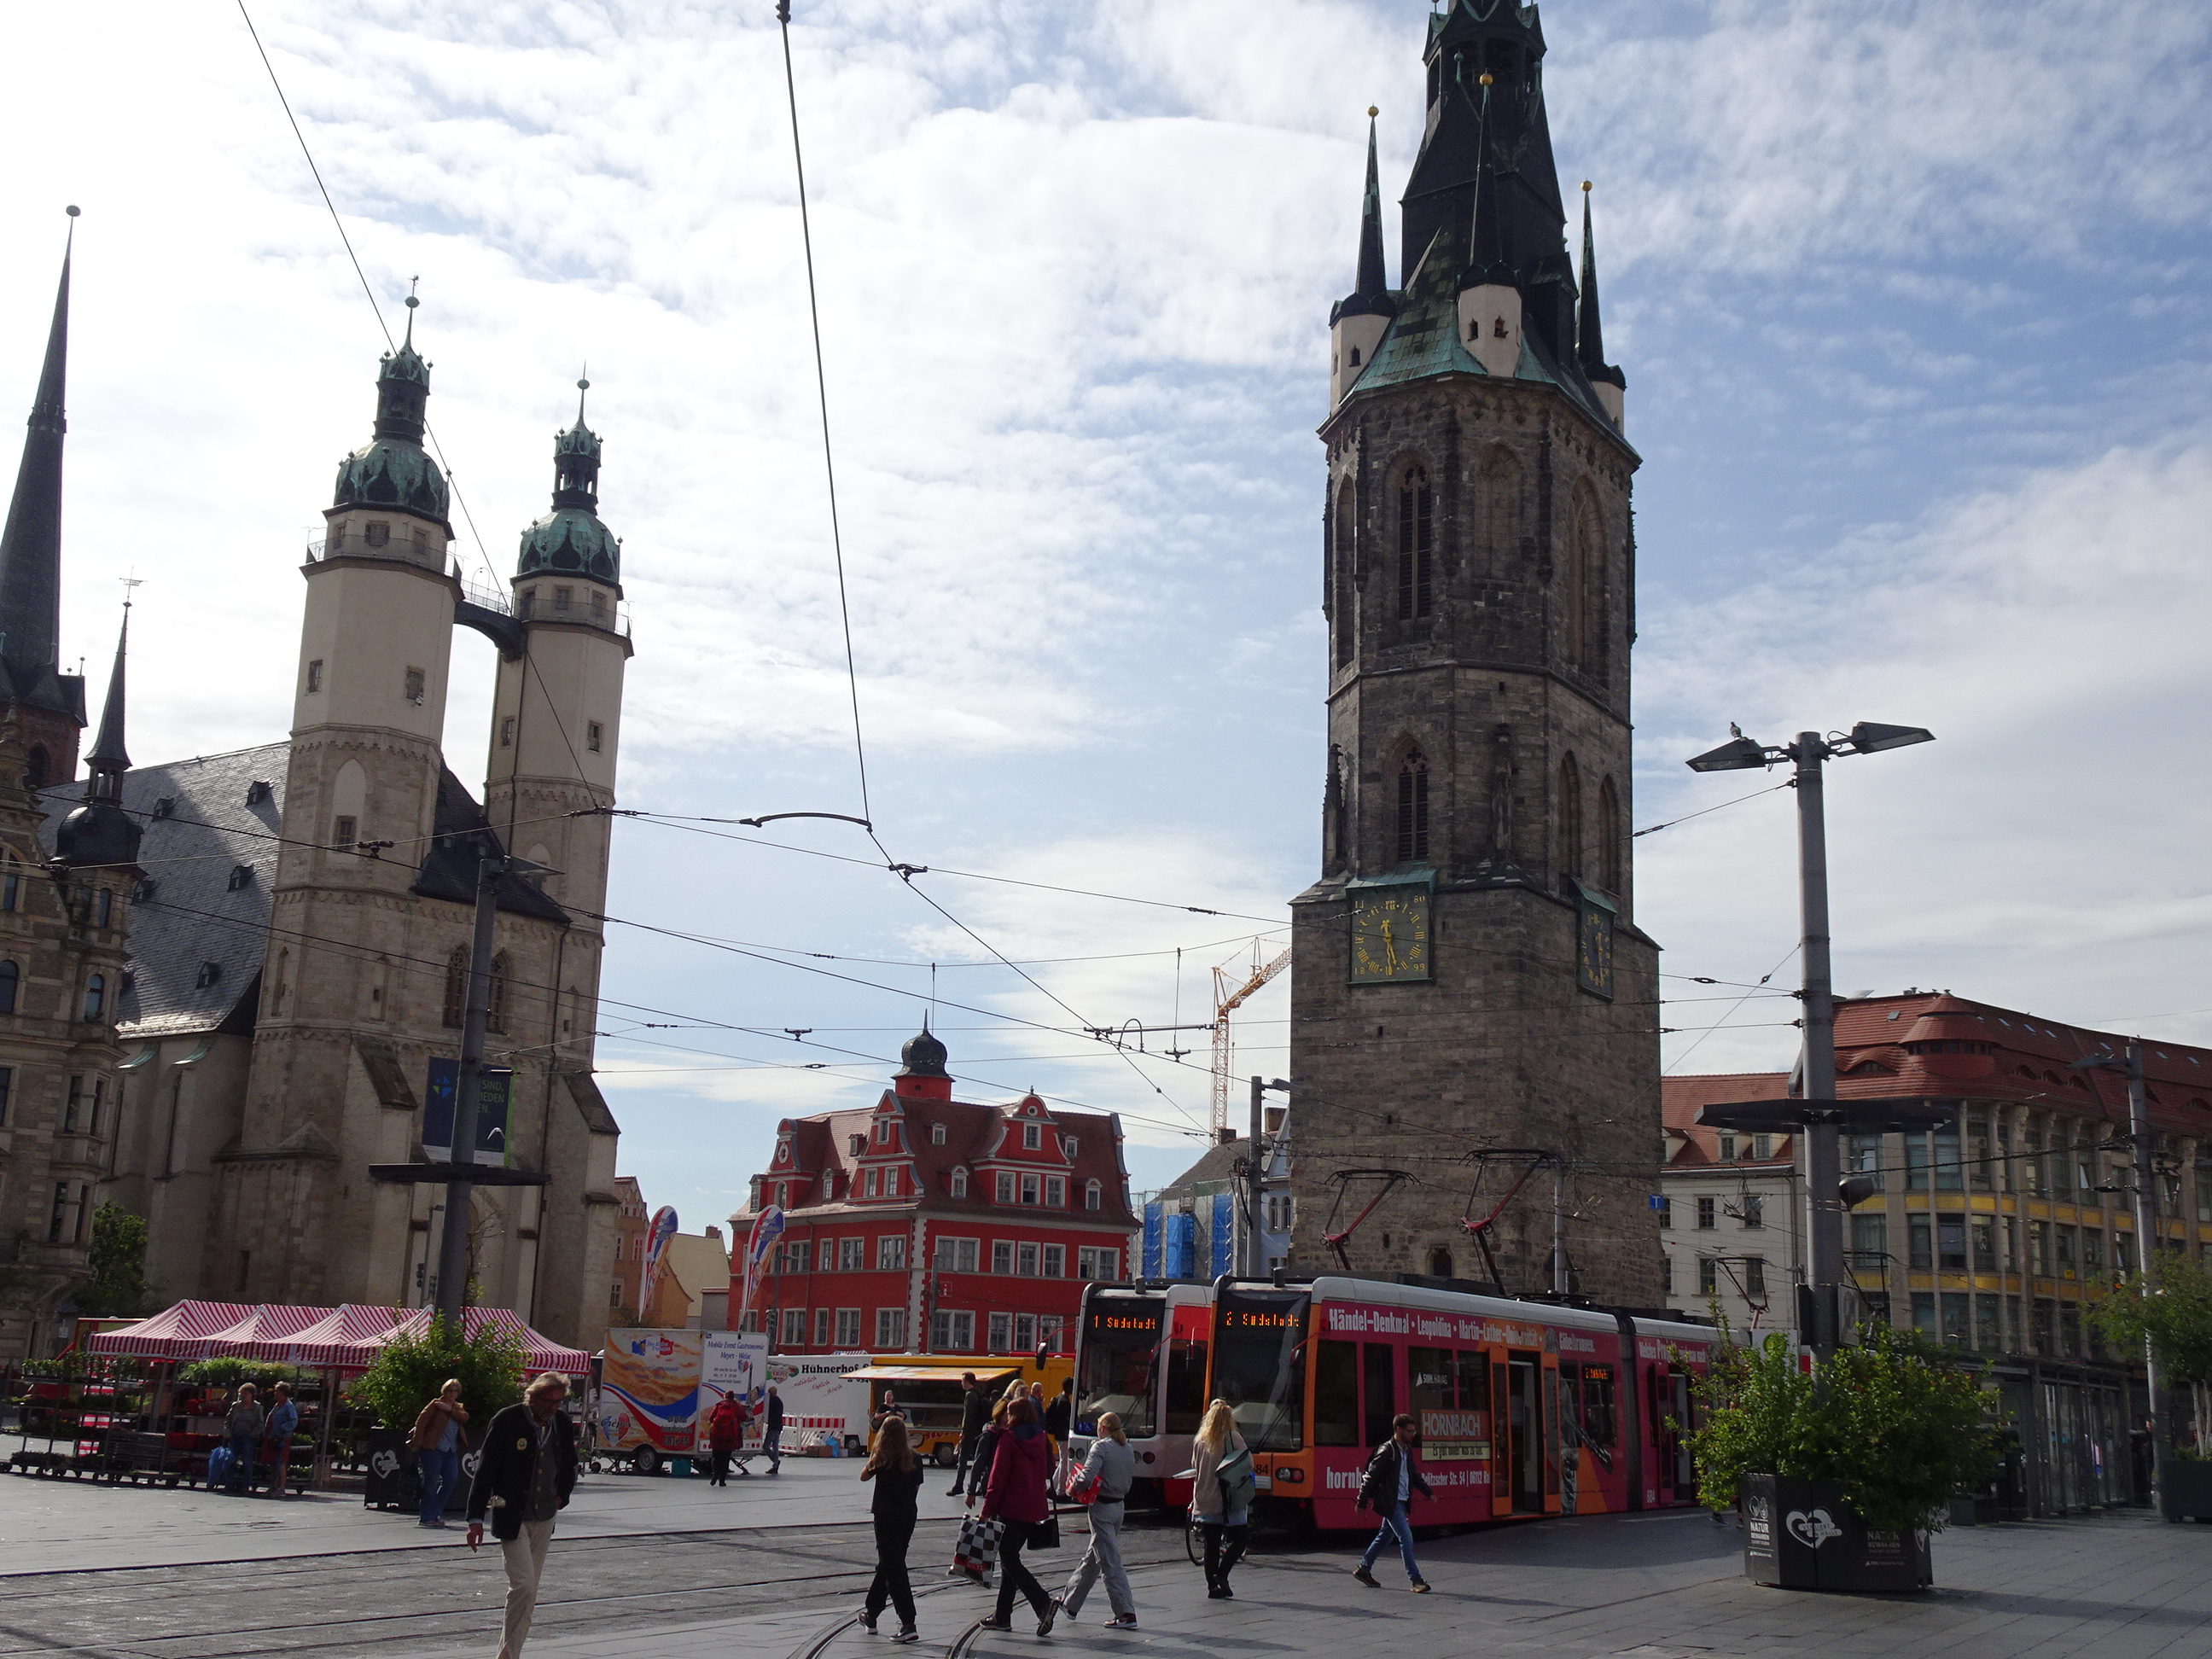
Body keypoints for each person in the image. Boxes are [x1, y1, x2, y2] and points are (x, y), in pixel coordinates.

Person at [467, 1374, 579, 1659]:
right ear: (532, 1396)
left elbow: (569, 1464)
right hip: (512, 1516)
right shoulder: (507, 1420)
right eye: (548, 1401)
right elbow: (485, 1470)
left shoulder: (561, 1423)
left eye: (558, 1402)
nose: (553, 1407)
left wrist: (561, 1497)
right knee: (523, 1585)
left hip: (545, 1516)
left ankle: (509, 1654)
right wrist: (475, 1518)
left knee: (530, 1594)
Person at [976, 1395, 1056, 1636]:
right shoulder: (1041, 1439)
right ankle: (1002, 1616)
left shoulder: (1008, 1439)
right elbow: (1050, 1469)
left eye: (1010, 1414)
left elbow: (997, 1479)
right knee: (1010, 1560)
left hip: (1010, 1509)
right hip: (1033, 1509)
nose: (1007, 1418)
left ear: (1015, 1416)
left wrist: (986, 1511)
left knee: (1009, 1561)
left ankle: (1043, 1602)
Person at [1054, 1410, 1137, 1628]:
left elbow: (1086, 1476)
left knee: (1110, 1562)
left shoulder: (1100, 1447)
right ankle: (1070, 1604)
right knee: (1094, 1557)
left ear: (1103, 1427)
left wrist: (1072, 1488)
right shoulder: (1127, 1447)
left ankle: (1126, 1612)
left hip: (1101, 1508)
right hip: (1119, 1506)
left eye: (1098, 1425)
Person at [859, 1414, 925, 1643]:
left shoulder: (882, 1457)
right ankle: (871, 1614)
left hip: (886, 1516)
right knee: (889, 1565)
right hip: (907, 1516)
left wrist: (874, 1456)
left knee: (894, 1568)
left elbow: (863, 1477)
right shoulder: (915, 1458)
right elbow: (916, 1488)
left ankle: (908, 1622)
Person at [1352, 1413, 1432, 1593]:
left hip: (1401, 1501)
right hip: (1391, 1501)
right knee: (1406, 1537)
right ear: (1398, 1430)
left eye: (1414, 1431)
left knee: (1385, 1537)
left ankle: (1364, 1569)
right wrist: (1361, 1501)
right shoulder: (1387, 1451)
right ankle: (1416, 1580)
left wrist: (1428, 1492)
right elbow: (1370, 1477)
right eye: (1409, 1431)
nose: (1412, 1435)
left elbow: (1413, 1475)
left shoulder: (1406, 1451)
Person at [1190, 1400, 1249, 1599]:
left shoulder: (1200, 1439)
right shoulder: (1232, 1437)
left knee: (1211, 1544)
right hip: (1227, 1499)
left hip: (1204, 1497)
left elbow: (1194, 1465)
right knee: (1240, 1539)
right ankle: (1222, 1574)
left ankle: (1212, 1588)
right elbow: (1248, 1462)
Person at [411, 1378, 470, 1529]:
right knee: (432, 1482)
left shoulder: (457, 1407)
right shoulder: (435, 1404)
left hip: (450, 1450)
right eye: (450, 1391)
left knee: (451, 1480)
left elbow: (464, 1418)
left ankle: (435, 1513)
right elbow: (421, 1422)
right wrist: (417, 1443)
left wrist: (449, 1410)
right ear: (445, 1391)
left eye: (455, 1391)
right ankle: (426, 1517)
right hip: (433, 1448)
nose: (452, 1394)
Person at [963, 1393, 1013, 1504]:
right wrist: (971, 1491)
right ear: (1000, 1414)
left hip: (1008, 1485)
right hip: (992, 1483)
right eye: (1008, 1413)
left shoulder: (1012, 1434)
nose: (1011, 1417)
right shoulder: (989, 1435)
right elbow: (978, 1464)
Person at [949, 1371, 987, 1495]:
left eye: (962, 1381)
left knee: (963, 1459)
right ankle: (982, 1484)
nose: (961, 1383)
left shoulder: (970, 1395)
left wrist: (963, 1432)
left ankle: (958, 1485)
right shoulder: (977, 1393)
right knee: (977, 1459)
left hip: (970, 1432)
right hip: (977, 1431)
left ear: (966, 1381)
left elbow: (968, 1416)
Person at [223, 1383, 265, 1495]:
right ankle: (228, 1485)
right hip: (234, 1436)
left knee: (247, 1462)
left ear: (252, 1395)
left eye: (245, 1393)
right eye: (241, 1393)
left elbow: (260, 1424)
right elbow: (228, 1420)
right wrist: (227, 1433)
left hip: (248, 1438)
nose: (242, 1396)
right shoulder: (236, 1406)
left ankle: (245, 1486)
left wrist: (252, 1435)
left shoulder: (257, 1408)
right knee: (230, 1460)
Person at [264, 1381, 300, 1498]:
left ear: (283, 1393)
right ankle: (273, 1486)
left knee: (281, 1463)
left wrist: (283, 1428)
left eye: (277, 1391)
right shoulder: (277, 1405)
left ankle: (281, 1488)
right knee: (272, 1463)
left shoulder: (288, 1406)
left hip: (282, 1439)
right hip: (272, 1437)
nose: (275, 1393)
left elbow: (293, 1420)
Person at [706, 1394, 744, 1487]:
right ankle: (722, 1480)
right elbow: (744, 1417)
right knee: (726, 1458)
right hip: (730, 1436)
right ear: (733, 1397)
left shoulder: (719, 1405)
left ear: (725, 1396)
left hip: (717, 1435)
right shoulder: (737, 1406)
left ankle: (715, 1474)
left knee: (715, 1456)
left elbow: (711, 1418)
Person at [762, 1385, 784, 1475]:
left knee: (766, 1446)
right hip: (778, 1426)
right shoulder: (779, 1401)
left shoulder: (771, 1402)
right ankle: (775, 1465)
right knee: (775, 1446)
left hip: (773, 1427)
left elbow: (769, 1413)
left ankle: (775, 1461)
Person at [1043, 1378, 1073, 1445]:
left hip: (1060, 1435)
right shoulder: (1064, 1402)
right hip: (1063, 1436)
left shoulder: (1060, 1397)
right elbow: (1066, 1419)